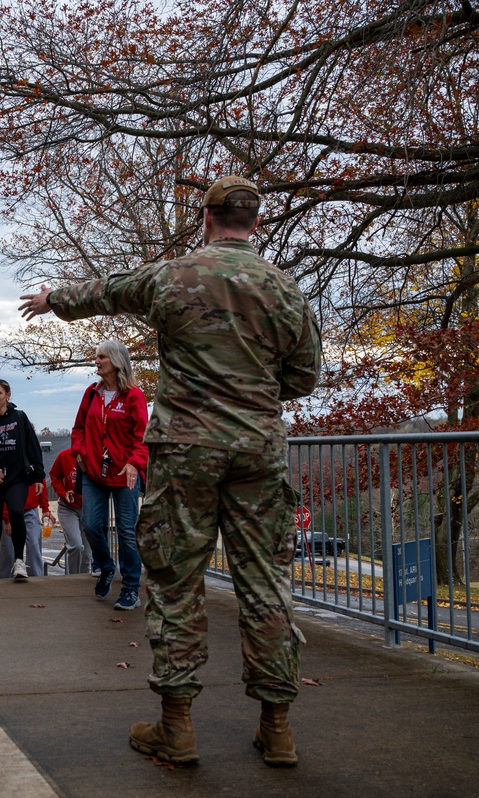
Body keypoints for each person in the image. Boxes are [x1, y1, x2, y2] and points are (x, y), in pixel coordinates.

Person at [18, 176, 322, 767]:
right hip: (258, 450)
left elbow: (107, 292)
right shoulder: (284, 289)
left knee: (178, 581)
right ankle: (277, 728)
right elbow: (304, 376)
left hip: (185, 451)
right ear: (253, 223)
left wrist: (53, 300)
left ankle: (177, 727)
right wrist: (253, 397)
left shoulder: (174, 276)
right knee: (266, 585)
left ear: (206, 218)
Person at [71, 340, 150, 611]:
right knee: (92, 525)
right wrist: (80, 453)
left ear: (116, 361)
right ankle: (106, 567)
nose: (97, 361)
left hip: (124, 474)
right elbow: (78, 428)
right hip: (93, 471)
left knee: (127, 532)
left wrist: (135, 464)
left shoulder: (134, 396)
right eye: (96, 357)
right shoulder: (91, 393)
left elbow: (143, 437)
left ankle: (130, 588)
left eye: (101, 357)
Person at [0, 380, 46, 581]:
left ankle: (19, 562)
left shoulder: (19, 417)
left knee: (15, 511)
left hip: (16, 477)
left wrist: (39, 475)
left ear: (8, 395)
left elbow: (33, 447)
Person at [0, 481, 56, 578]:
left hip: (30, 508)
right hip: (10, 508)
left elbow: (41, 479)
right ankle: (4, 580)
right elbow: (2, 488)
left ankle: (36, 578)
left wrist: (45, 508)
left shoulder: (33, 466)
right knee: (8, 550)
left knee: (33, 543)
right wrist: (7, 519)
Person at [49, 447, 92, 573]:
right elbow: (54, 477)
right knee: (77, 546)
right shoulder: (64, 455)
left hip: (88, 508)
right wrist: (63, 493)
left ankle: (83, 581)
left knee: (87, 553)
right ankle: (72, 578)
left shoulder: (94, 455)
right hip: (68, 507)